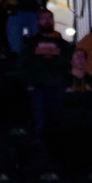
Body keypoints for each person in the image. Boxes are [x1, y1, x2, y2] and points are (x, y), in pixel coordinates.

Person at [20, 10, 70, 139]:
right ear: (37, 22)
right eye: (43, 18)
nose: (47, 20)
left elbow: (71, 64)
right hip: (38, 88)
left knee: (58, 124)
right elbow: (23, 66)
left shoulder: (64, 45)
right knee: (40, 125)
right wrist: (29, 84)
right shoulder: (30, 44)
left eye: (49, 17)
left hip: (59, 88)